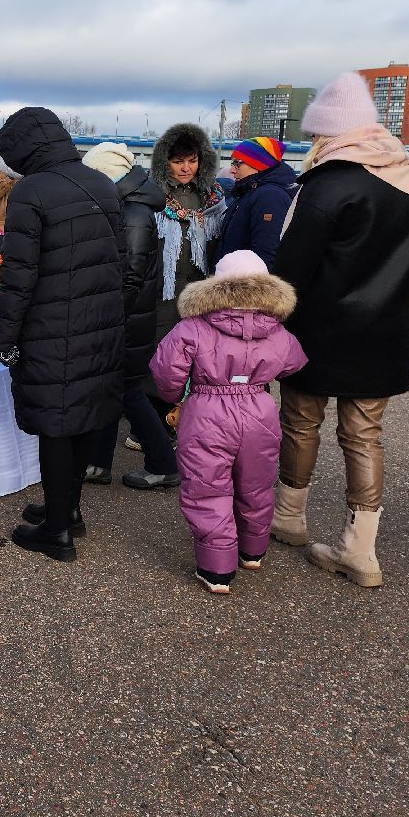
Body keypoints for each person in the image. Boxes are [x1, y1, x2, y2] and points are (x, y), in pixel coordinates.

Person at [270, 72, 409, 588]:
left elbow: (290, 272)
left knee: (301, 423)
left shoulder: (327, 184)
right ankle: (360, 549)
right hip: (384, 331)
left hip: (317, 330)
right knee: (364, 436)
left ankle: (289, 517)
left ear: (329, 132)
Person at [0, 108, 125, 562]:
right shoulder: (102, 184)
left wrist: (4, 337)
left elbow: (19, 276)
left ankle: (56, 531)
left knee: (56, 426)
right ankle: (68, 509)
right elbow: (122, 263)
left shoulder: (32, 192)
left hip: (51, 328)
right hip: (100, 323)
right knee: (82, 415)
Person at [150, 251, 308, 594]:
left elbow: (166, 373)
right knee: (256, 484)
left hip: (207, 411)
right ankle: (252, 551)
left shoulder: (193, 326)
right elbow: (294, 363)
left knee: (207, 487)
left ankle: (217, 568)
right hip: (259, 410)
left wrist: (175, 396)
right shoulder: (277, 330)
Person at [76, 142, 178, 490]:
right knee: (114, 390)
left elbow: (130, 277)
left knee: (127, 392)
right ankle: (98, 463)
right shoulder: (129, 206)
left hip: (126, 320)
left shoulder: (133, 214)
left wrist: (105, 317)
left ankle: (163, 464)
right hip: (128, 317)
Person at [144, 123, 226, 434]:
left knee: (197, 356)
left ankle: (188, 419)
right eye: (178, 161)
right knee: (161, 353)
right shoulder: (152, 196)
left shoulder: (212, 198)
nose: (185, 168)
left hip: (199, 292)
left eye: (192, 160)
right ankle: (152, 425)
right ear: (164, 161)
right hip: (162, 292)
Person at [214, 137, 297, 267]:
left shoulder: (270, 197)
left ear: (259, 164)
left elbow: (265, 255)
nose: (232, 170)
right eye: (232, 163)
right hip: (234, 275)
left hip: (245, 278)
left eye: (237, 163)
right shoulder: (250, 191)